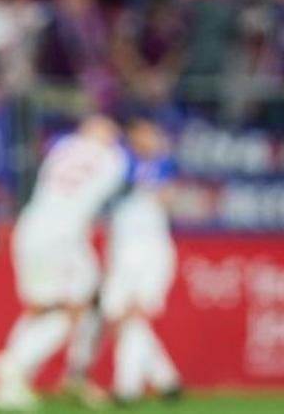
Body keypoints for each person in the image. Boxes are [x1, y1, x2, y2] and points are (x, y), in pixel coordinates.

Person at [0, 114, 129, 411]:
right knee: (74, 308)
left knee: (43, 307)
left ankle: (11, 384)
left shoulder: (62, 148)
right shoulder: (114, 158)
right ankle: (15, 363)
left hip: (30, 230)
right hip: (63, 238)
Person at [102, 117, 183, 403]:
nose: (148, 139)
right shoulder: (116, 164)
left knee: (135, 314)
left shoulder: (162, 164)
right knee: (118, 316)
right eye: (143, 134)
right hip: (121, 252)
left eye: (151, 134)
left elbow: (167, 198)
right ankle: (166, 379)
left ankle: (127, 388)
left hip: (151, 251)